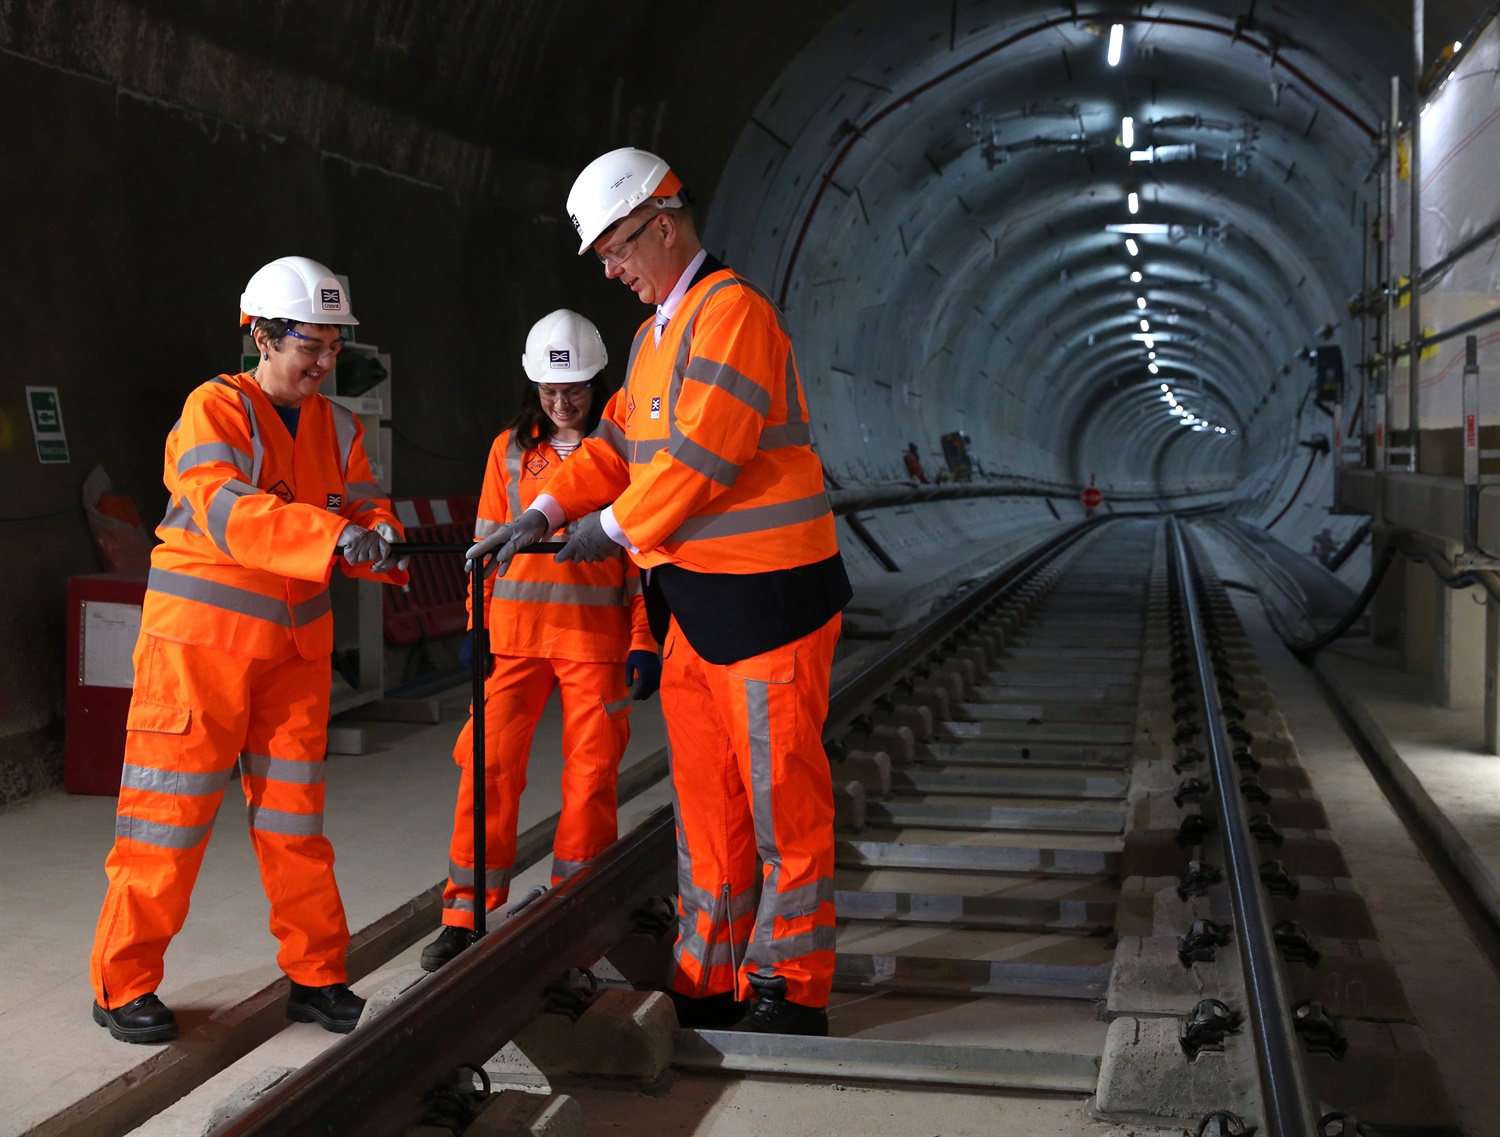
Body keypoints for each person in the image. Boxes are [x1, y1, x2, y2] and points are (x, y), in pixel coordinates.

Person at [469, 148, 851, 1036]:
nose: (610, 269)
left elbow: (704, 458)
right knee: (712, 804)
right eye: (601, 254)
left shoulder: (733, 316)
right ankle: (707, 973)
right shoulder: (651, 339)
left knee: (781, 802)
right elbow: (613, 450)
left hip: (770, 602)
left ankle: (793, 986)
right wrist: (546, 505)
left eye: (616, 248)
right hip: (697, 609)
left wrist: (611, 531)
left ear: (663, 224)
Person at [89, 256, 408, 1043]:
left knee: (296, 825)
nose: (326, 363)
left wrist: (386, 538)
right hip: (198, 652)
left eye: (336, 347)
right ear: (261, 335)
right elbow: (234, 511)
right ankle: (122, 982)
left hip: (294, 657)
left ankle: (317, 975)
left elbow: (366, 501)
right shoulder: (213, 411)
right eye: (311, 344)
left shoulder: (339, 426)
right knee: (166, 821)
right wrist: (341, 537)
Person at [419, 310, 660, 971]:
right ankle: (464, 914)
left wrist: (645, 638)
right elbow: (485, 546)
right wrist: (479, 626)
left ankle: (574, 911)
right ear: (532, 387)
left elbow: (641, 556)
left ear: (597, 382)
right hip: (517, 639)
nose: (562, 402)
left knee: (590, 780)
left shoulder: (623, 452)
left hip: (595, 639)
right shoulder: (510, 452)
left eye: (576, 390)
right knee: (487, 769)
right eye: (551, 392)